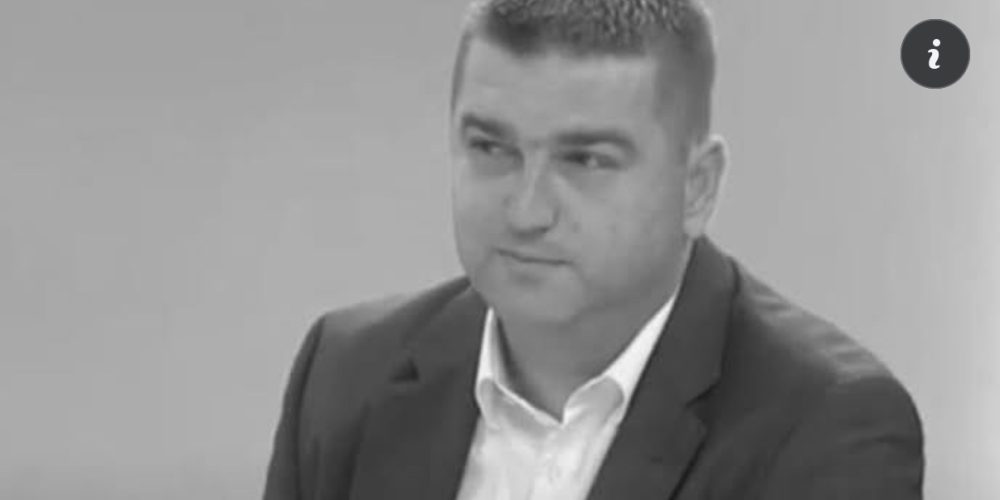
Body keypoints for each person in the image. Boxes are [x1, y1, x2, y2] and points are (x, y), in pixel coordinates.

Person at [263, 0, 924, 498]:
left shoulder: (828, 426)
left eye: (585, 160)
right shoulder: (346, 373)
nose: (527, 211)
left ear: (697, 188)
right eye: (491, 148)